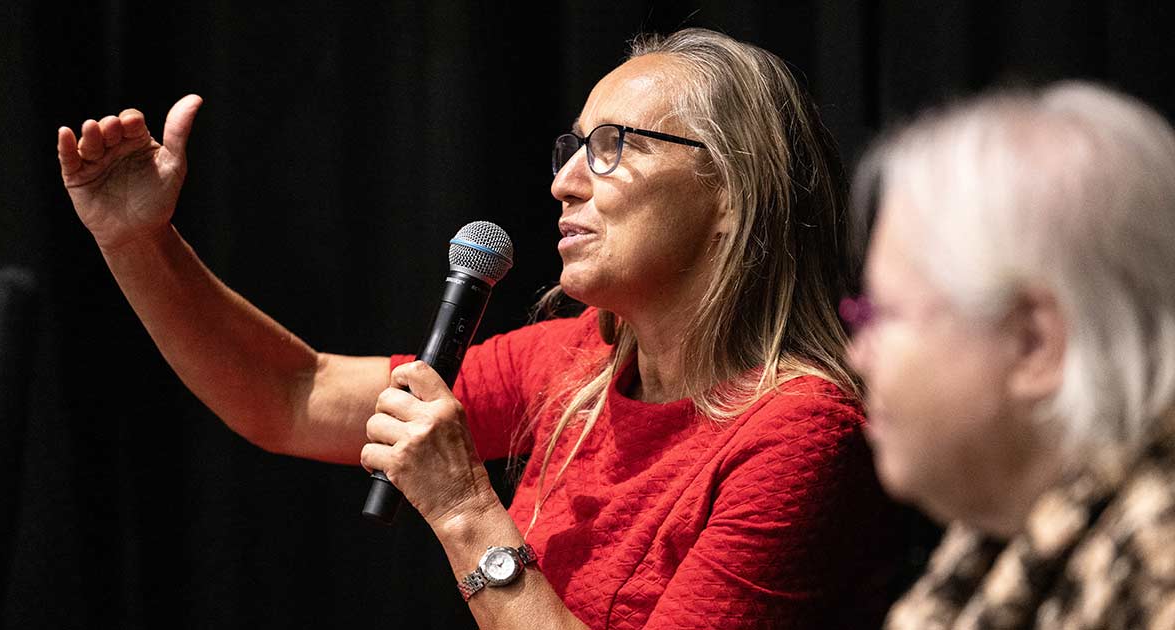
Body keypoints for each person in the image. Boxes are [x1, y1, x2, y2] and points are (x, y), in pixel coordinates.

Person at [59, 28, 906, 628]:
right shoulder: (575, 358)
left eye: (613, 145)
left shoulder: (801, 439)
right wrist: (137, 239)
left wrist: (465, 508)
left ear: (731, 191)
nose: (565, 183)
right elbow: (290, 396)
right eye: (571, 146)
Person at [846, 81, 1175, 628]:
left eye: (882, 314)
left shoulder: (1157, 572)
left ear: (1033, 344)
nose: (858, 355)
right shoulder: (999, 537)